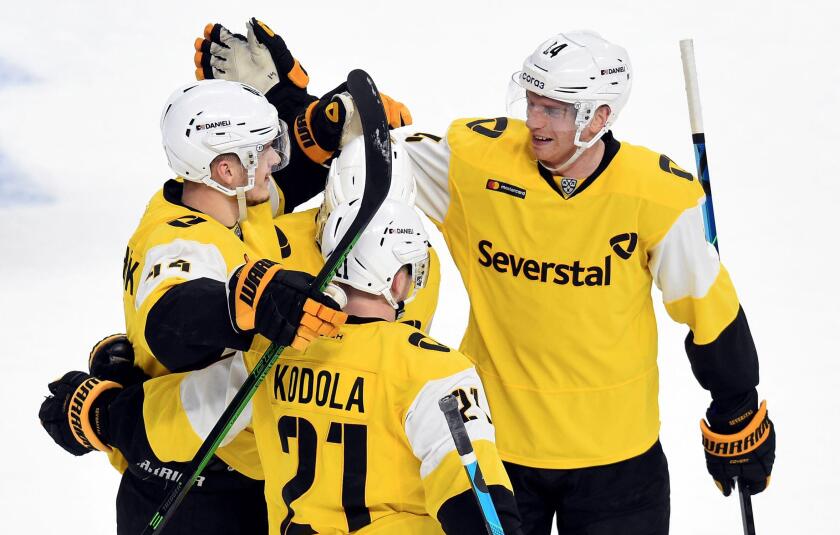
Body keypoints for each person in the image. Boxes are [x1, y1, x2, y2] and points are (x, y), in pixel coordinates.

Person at [206, 24, 776, 534]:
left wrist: (735, 405)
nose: (534, 120)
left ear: (600, 116)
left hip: (617, 467)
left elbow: (708, 308)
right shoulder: (477, 162)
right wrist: (290, 105)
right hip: (494, 455)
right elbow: (372, 160)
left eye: (554, 109)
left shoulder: (655, 196)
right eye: (531, 101)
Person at [38, 195, 523, 533]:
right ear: (398, 280)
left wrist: (96, 411)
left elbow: (164, 423)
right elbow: (478, 502)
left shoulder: (268, 360)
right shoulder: (434, 372)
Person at [40, 78, 348, 535]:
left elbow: (282, 187)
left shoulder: (221, 205)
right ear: (227, 169)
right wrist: (251, 302)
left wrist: (315, 129)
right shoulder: (180, 240)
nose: (275, 160)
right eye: (265, 149)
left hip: (221, 473)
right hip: (195, 494)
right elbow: (173, 316)